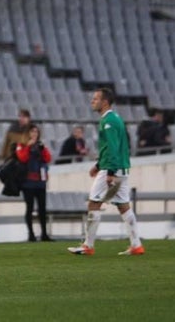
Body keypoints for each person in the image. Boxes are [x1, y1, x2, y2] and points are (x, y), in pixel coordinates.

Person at [69, 88, 143, 256]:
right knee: (124, 206)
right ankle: (136, 245)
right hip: (122, 168)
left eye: (95, 99)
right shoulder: (115, 118)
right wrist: (98, 164)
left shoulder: (108, 121)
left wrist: (108, 171)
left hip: (113, 168)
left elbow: (112, 147)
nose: (92, 101)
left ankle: (88, 246)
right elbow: (115, 146)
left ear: (105, 102)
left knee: (93, 203)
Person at [15, 124, 53, 242]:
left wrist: (43, 149)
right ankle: (31, 234)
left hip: (40, 182)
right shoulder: (21, 145)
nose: (34, 134)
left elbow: (48, 159)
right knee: (30, 208)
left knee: (42, 209)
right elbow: (22, 158)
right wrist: (28, 146)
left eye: (36, 132)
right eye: (32, 132)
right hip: (27, 182)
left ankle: (44, 234)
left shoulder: (41, 145)